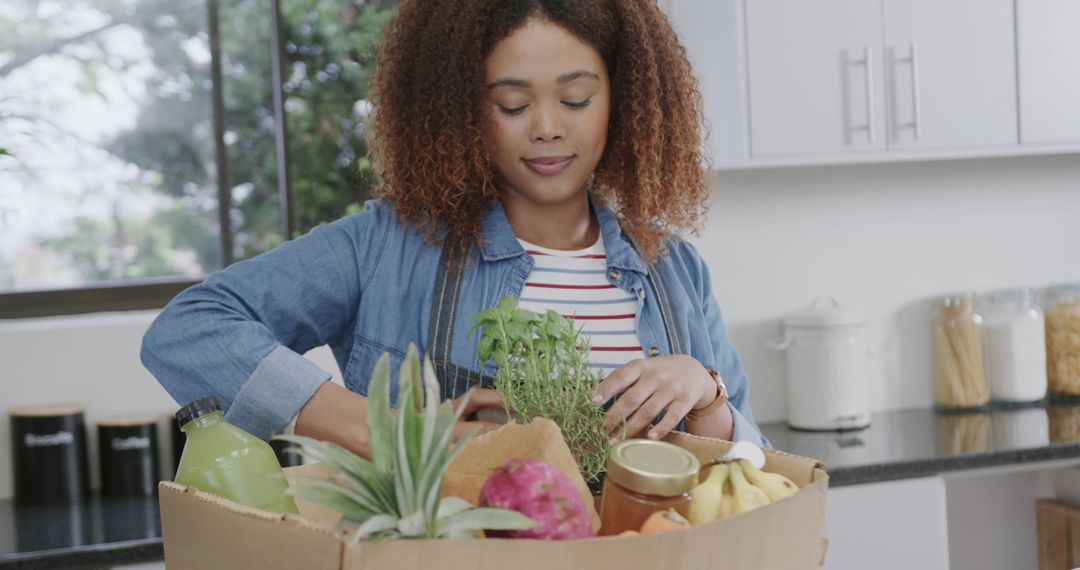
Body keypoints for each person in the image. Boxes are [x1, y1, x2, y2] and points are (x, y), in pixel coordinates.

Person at [141, 0, 769, 460]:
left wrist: (708, 395)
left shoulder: (673, 267)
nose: (547, 127)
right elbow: (190, 328)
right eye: (512, 105)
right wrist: (378, 429)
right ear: (462, 111)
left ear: (624, 100)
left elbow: (757, 468)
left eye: (576, 98)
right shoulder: (385, 247)